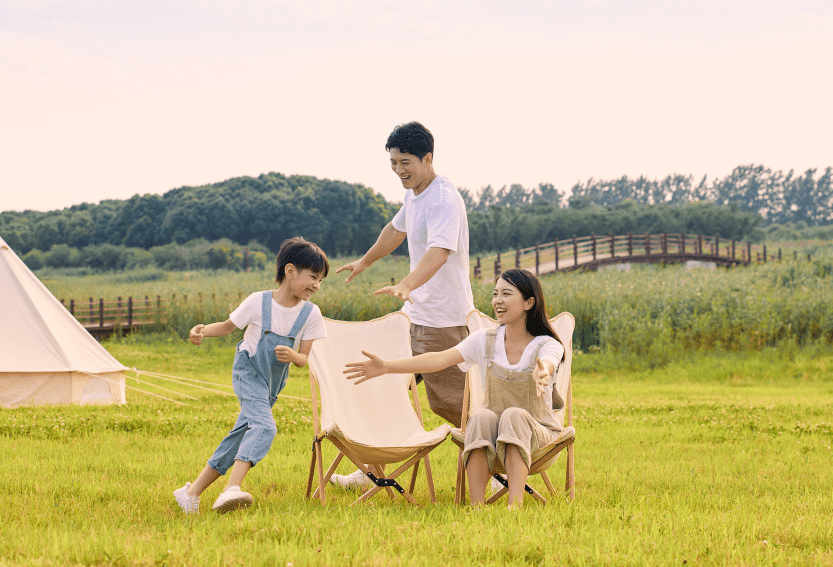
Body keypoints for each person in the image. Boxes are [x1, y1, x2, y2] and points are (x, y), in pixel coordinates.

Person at [344, 269, 565, 508]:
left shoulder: (546, 344)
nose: (498, 301)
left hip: (539, 440)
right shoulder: (484, 340)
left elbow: (550, 360)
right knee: (480, 416)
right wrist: (387, 366)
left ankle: (515, 506)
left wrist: (543, 371)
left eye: (506, 294)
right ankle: (477, 507)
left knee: (514, 415)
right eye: (495, 294)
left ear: (529, 302)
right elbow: (439, 359)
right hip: (494, 436)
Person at [333, 121, 476, 488]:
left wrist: (406, 285)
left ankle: (498, 464)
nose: (399, 170)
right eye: (393, 163)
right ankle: (374, 471)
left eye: (405, 162)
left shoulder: (442, 199)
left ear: (427, 159)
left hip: (443, 319)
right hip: (414, 316)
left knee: (455, 404)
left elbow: (439, 252)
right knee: (385, 387)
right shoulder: (415, 194)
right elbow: (396, 231)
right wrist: (365, 261)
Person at [172, 237, 329, 514]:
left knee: (238, 437)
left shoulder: (311, 313)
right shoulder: (259, 302)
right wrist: (201, 331)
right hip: (248, 374)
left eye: (320, 280)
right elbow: (226, 327)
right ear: (290, 271)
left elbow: (304, 359)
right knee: (265, 428)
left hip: (271, 386)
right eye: (313, 277)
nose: (316, 285)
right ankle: (231, 488)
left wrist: (294, 357)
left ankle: (190, 492)